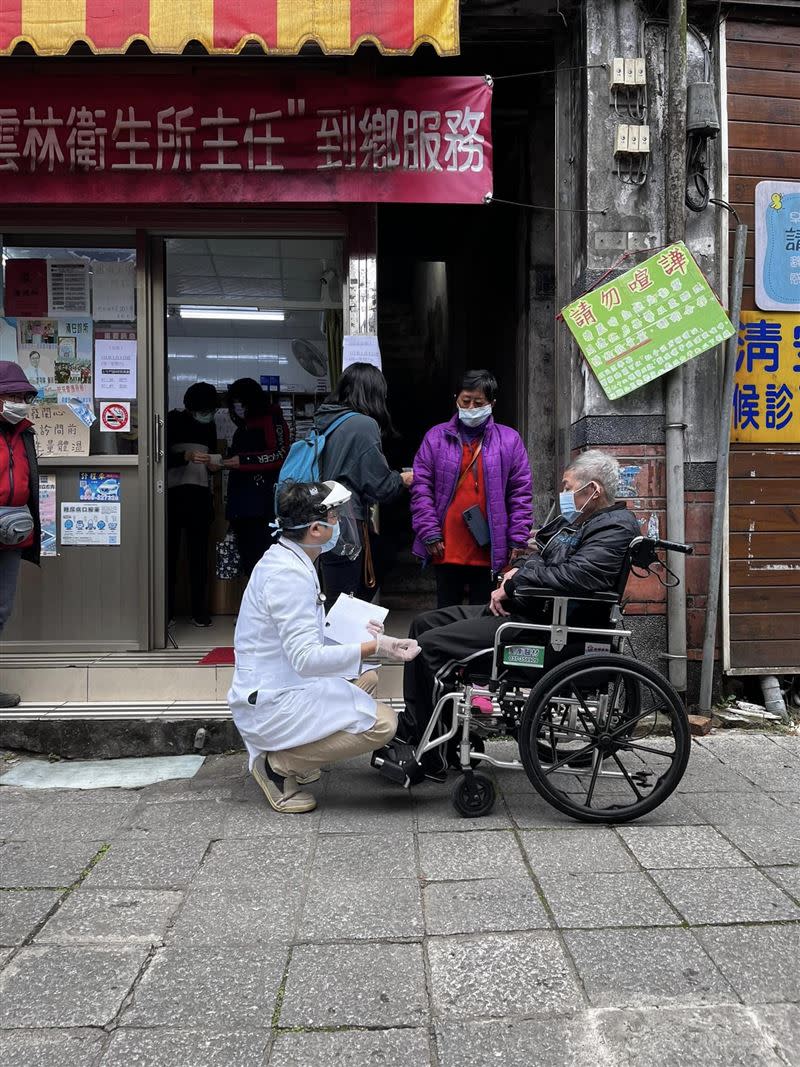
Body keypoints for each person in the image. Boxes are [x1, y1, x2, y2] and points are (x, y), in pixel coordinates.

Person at [398, 450, 641, 778]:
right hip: (530, 612)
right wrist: (513, 578)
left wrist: (516, 583)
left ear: (593, 491)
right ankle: (427, 735)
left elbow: (576, 577)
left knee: (429, 645)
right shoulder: (577, 522)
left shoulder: (613, 528)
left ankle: (429, 753)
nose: (564, 495)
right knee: (424, 622)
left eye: (568, 487)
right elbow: (538, 553)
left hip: (551, 631)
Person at [227, 480, 421, 813]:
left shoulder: (292, 558)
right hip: (272, 700)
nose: (338, 522)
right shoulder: (287, 577)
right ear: (315, 529)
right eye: (333, 516)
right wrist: (375, 647)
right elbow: (306, 658)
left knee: (368, 680)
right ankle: (278, 766)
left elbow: (305, 636)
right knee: (383, 724)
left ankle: (296, 756)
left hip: (284, 684)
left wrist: (368, 637)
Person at [411, 369, 533, 609]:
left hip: (489, 546)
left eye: (479, 402)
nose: (471, 407)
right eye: (466, 401)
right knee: (445, 612)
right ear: (456, 397)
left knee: (484, 612)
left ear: (492, 404)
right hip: (446, 544)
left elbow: (521, 493)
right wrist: (429, 530)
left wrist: (517, 538)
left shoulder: (509, 440)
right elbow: (421, 488)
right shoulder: (435, 437)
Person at [315, 363, 413, 601]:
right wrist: (402, 478)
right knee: (346, 602)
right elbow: (380, 486)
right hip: (345, 522)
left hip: (320, 520)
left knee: (332, 596)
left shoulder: (326, 420)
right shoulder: (362, 425)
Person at [0, 363, 40, 708]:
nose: (18, 401)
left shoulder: (25, 432)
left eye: (22, 396)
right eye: (11, 395)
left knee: (1, 608)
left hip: (12, 531)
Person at [223, 377, 290, 577]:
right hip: (241, 507)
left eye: (242, 403)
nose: (238, 408)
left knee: (263, 561)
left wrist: (243, 461)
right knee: (249, 562)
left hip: (262, 505)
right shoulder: (243, 427)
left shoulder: (273, 419)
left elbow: (280, 454)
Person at [166, 381, 220, 627]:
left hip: (200, 496)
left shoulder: (211, 427)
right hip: (171, 496)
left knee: (199, 558)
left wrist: (213, 463)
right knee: (168, 556)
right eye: (204, 409)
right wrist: (184, 456)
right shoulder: (171, 421)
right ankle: (165, 611)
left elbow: (216, 459)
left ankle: (200, 610)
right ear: (191, 407)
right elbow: (160, 457)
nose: (208, 414)